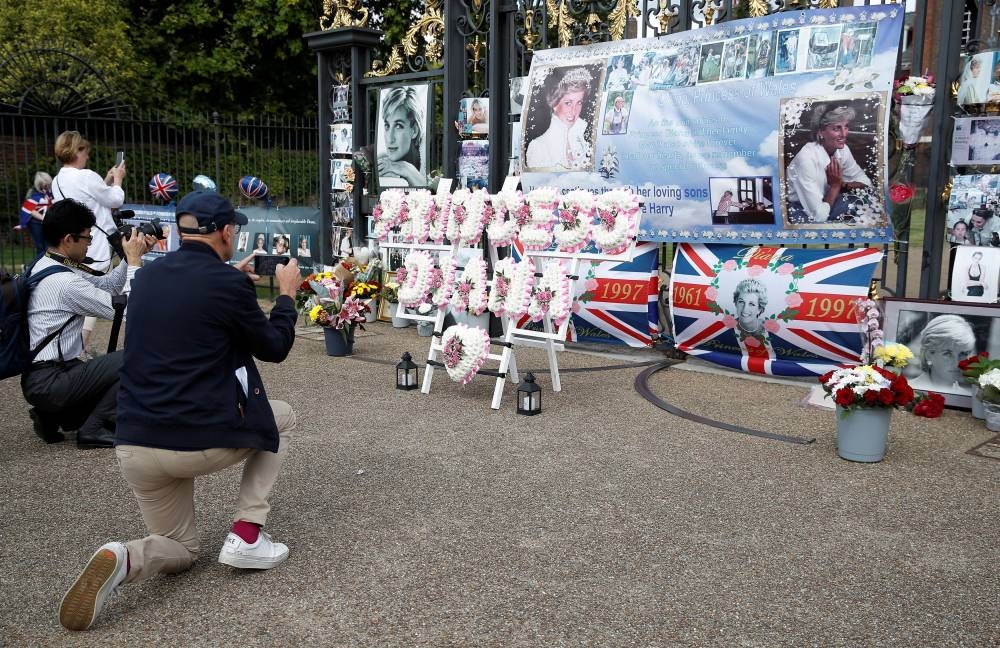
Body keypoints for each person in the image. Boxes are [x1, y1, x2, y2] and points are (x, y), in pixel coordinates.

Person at [56, 191, 300, 632]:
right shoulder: (225, 285)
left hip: (134, 443)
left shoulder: (147, 277)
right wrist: (286, 296)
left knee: (181, 549)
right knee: (279, 417)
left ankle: (125, 556)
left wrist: (230, 279)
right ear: (226, 232)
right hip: (196, 440)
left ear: (181, 229)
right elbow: (275, 348)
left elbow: (194, 302)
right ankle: (247, 534)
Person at [20, 199, 151, 449]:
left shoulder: (47, 264)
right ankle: (93, 429)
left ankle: (52, 415)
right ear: (69, 238)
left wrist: (129, 259)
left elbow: (108, 287)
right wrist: (134, 264)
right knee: (139, 357)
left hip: (45, 378)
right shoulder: (65, 284)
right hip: (52, 381)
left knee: (108, 376)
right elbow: (131, 311)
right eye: (88, 238)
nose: (90, 245)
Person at [50, 131, 126, 356]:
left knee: (82, 291)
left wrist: (105, 182)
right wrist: (118, 180)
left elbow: (88, 200)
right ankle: (80, 347)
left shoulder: (58, 179)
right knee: (96, 294)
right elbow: (114, 200)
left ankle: (73, 345)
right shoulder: (85, 176)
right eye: (85, 151)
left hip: (74, 242)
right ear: (76, 151)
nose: (87, 155)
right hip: (96, 242)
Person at [786, 104, 873, 224]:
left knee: (868, 202)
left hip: (829, 202)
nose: (844, 134)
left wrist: (844, 185)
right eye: (836, 129)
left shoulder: (843, 150)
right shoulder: (806, 159)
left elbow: (866, 182)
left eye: (846, 127)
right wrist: (835, 186)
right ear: (821, 132)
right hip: (802, 210)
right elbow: (818, 217)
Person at [525, 67, 594, 170]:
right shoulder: (538, 146)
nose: (574, 111)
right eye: (568, 103)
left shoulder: (583, 139)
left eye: (579, 103)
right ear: (555, 103)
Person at [909, 315, 977, 393]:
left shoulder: (968, 398)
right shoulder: (906, 391)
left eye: (963, 354)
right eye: (948, 354)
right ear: (928, 355)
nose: (957, 363)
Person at [377, 86, 425, 187]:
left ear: (414, 130)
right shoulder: (383, 162)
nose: (390, 139)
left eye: (398, 126)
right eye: (387, 125)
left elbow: (434, 194)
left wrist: (407, 169)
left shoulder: (428, 154)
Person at [18, 171, 53, 260]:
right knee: (40, 246)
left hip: (49, 221)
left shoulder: (50, 191)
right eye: (43, 182)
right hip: (36, 222)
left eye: (47, 181)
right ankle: (39, 267)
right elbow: (29, 209)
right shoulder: (32, 192)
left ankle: (48, 265)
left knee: (49, 246)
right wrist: (43, 218)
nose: (45, 184)